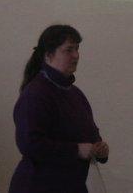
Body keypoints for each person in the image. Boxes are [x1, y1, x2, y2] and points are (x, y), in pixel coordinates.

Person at [9, 25, 109, 193]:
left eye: (77, 49)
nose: (76, 55)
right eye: (68, 50)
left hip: (72, 184)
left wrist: (99, 149)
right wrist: (77, 150)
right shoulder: (35, 94)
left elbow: (90, 134)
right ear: (48, 55)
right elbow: (29, 144)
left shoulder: (76, 94)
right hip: (40, 185)